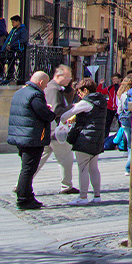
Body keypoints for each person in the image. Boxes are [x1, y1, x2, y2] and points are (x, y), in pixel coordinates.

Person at [8, 70, 55, 210]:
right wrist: (51, 113)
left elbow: (27, 110)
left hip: (21, 135)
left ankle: (28, 196)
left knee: (27, 168)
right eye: (45, 84)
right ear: (41, 82)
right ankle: (23, 199)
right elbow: (43, 113)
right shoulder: (35, 94)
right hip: (31, 137)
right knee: (28, 169)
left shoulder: (20, 92)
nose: (46, 87)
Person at [59, 78, 111, 204]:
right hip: (97, 138)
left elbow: (65, 115)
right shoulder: (101, 101)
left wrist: (64, 120)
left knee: (82, 168)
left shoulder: (86, 102)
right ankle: (97, 195)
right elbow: (92, 117)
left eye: (80, 92)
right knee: (94, 168)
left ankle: (83, 196)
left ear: (86, 90)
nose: (79, 95)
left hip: (85, 138)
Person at [43, 64, 78, 195]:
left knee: (39, 159)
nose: (69, 80)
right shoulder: (53, 89)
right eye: (68, 77)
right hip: (56, 130)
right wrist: (72, 107)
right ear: (58, 76)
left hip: (51, 129)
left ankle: (20, 183)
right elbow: (55, 110)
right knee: (66, 158)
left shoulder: (57, 88)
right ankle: (66, 185)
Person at [2, 16, 27, 84]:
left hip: (17, 49)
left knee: (17, 63)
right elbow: (9, 38)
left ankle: (19, 76)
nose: (12, 24)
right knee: (9, 61)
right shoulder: (13, 30)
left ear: (18, 22)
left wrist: (12, 45)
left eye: (13, 22)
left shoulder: (22, 30)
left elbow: (23, 39)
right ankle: (9, 75)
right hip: (11, 49)